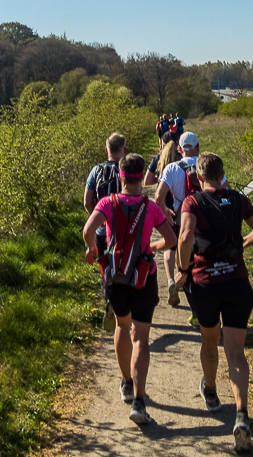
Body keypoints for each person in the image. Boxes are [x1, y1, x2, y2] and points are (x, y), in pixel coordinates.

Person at [175, 151, 253, 453]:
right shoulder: (238, 199)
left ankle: (212, 392)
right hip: (237, 284)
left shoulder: (193, 201)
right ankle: (241, 415)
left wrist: (183, 269)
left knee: (209, 342)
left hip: (205, 285)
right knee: (237, 353)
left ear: (199, 177)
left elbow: (186, 236)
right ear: (223, 174)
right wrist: (241, 245)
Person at [83, 153, 177, 426]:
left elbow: (89, 230)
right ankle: (139, 400)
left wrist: (92, 249)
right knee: (142, 338)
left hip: (115, 277)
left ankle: (125, 382)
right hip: (143, 277)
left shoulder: (107, 203)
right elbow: (170, 239)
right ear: (140, 178)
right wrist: (153, 248)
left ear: (121, 176)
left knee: (122, 327)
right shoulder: (152, 208)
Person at [155, 131, 224, 310]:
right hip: (207, 221)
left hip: (182, 221)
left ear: (179, 149)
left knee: (184, 264)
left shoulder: (172, 168)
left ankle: (191, 300)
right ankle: (206, 303)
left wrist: (165, 210)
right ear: (198, 147)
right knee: (205, 262)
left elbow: (158, 196)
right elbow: (226, 190)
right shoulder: (207, 166)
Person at [84, 133, 126, 332]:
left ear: (105, 150)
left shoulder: (96, 170)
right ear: (124, 150)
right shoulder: (127, 170)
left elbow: (87, 201)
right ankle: (124, 305)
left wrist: (97, 217)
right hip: (124, 229)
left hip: (101, 230)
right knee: (125, 265)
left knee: (105, 267)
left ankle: (110, 298)